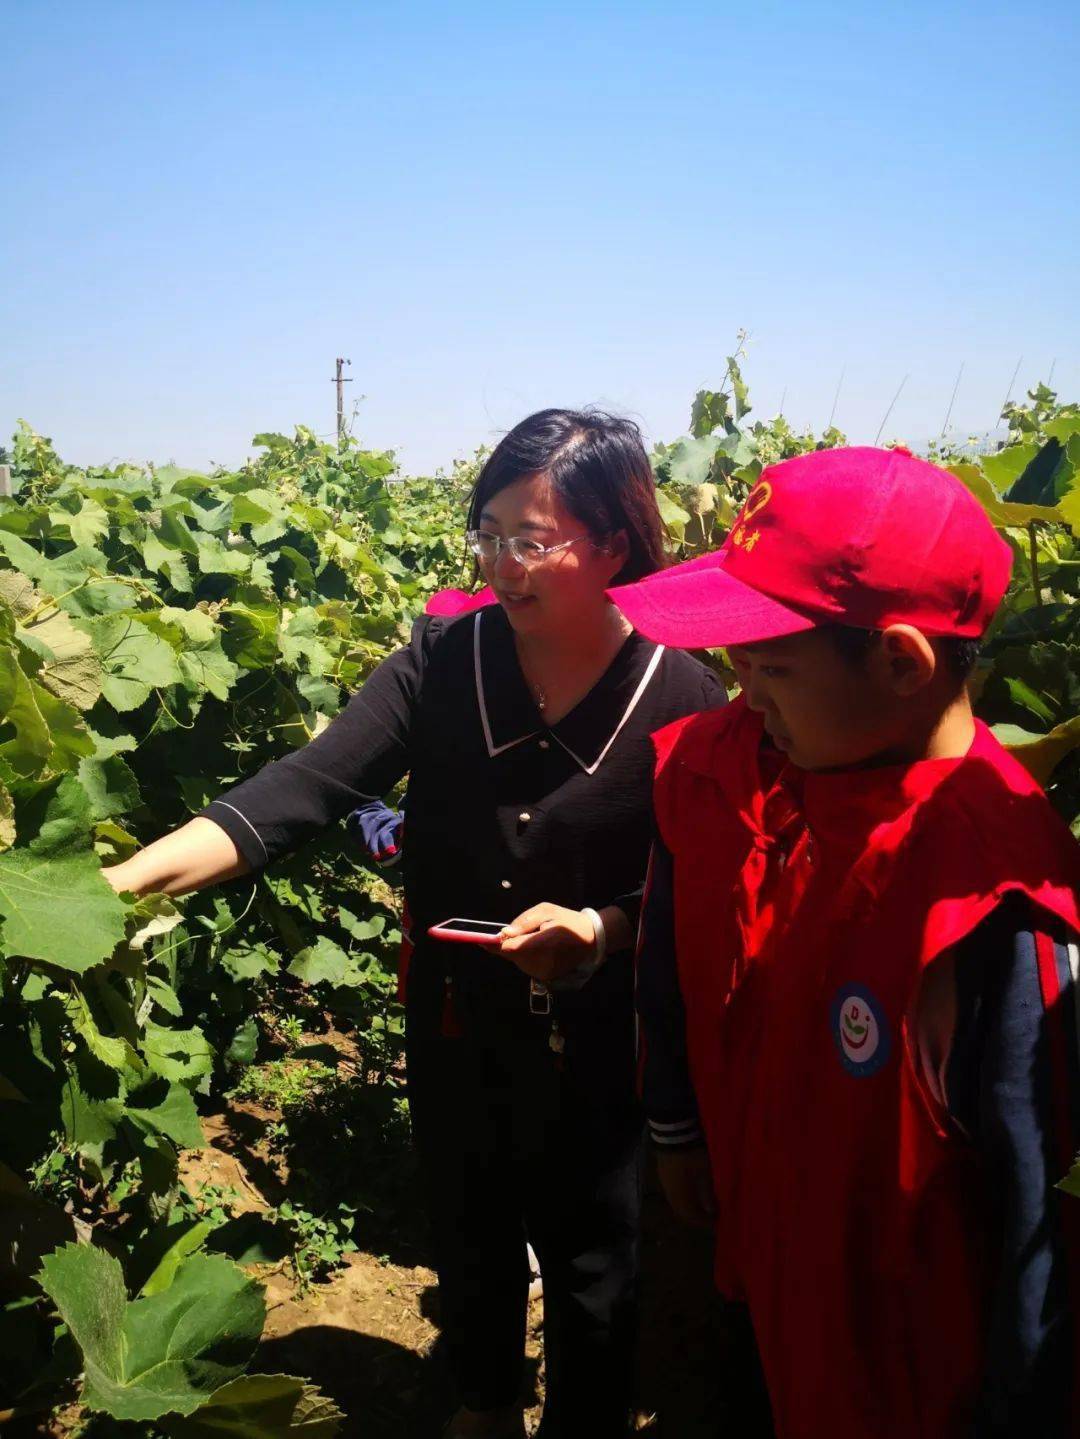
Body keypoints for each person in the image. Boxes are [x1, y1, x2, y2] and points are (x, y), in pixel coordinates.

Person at [104, 409, 726, 1439]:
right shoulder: (443, 659)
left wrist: (603, 930)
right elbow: (300, 788)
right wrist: (122, 883)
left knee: (595, 1255)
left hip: (602, 1041)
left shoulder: (682, 695)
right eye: (486, 534)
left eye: (530, 538)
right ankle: (482, 1402)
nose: (501, 564)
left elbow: (693, 888)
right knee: (471, 1225)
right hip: (454, 1015)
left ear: (615, 540)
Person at [616, 446, 1080, 1438]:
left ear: (902, 661)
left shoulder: (989, 903)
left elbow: (1044, 1252)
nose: (743, 694)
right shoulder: (827, 795)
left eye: (771, 665)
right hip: (812, 1342)